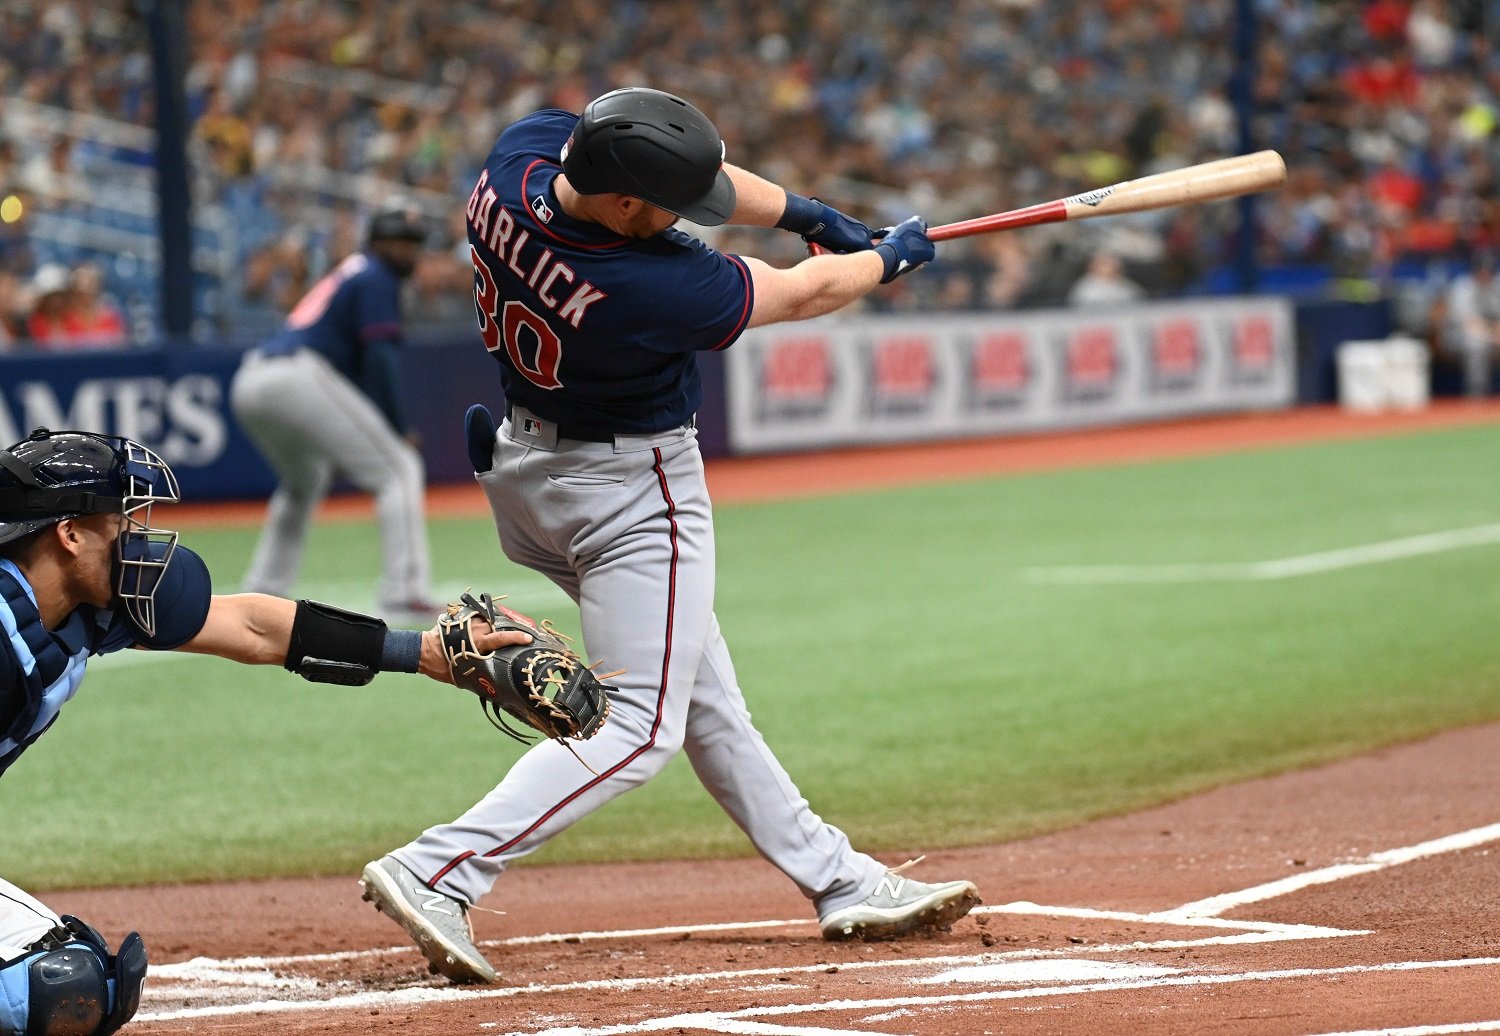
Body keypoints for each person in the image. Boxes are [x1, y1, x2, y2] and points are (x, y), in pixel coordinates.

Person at [359, 86, 979, 986]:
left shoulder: (522, 156)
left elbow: (702, 180)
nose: (684, 217)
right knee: (642, 728)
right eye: (664, 206)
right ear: (620, 203)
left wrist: (808, 213)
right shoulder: (643, 285)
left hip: (529, 476)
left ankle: (839, 878)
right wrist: (887, 262)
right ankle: (440, 868)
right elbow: (805, 293)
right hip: (628, 493)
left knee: (704, 698)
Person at [0, 426, 529, 1036]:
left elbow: (255, 626)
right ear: (69, 535)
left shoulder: (82, 607)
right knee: (60, 986)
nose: (132, 534)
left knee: (78, 986)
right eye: (118, 519)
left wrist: (426, 653)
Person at [230, 202, 439, 625]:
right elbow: (380, 358)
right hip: (297, 373)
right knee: (399, 468)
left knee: (305, 479)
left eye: (414, 243)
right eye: (400, 242)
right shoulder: (377, 275)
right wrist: (396, 427)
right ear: (378, 244)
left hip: (254, 378)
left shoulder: (355, 271)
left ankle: (264, 589)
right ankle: (405, 592)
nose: (409, 252)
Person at [1437, 250, 1500, 397]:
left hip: (1491, 334)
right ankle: (1476, 394)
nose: (1485, 274)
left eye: (1488, 270)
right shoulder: (1462, 287)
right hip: (1458, 336)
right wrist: (1491, 333)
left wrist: (1496, 331)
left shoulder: (1496, 287)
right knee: (1476, 344)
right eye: (1481, 270)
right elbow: (1468, 322)